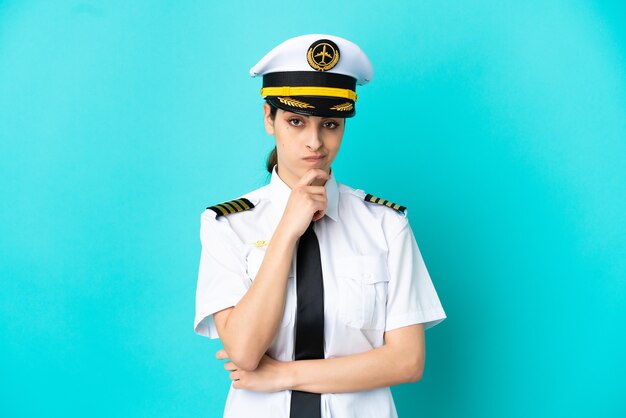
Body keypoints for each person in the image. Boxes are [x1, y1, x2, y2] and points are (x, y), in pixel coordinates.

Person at [194, 34, 447, 418]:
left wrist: (282, 375)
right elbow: (245, 351)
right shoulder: (227, 225)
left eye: (330, 124)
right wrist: (286, 233)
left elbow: (407, 362)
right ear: (269, 119)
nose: (315, 142)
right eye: (296, 121)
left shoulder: (385, 225)